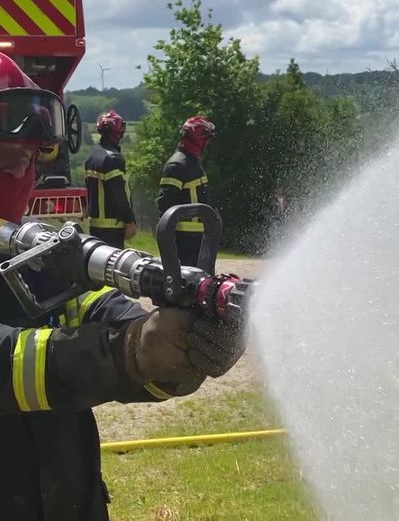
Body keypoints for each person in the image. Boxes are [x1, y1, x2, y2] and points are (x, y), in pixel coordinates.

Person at [0, 53, 246, 521]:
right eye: (3, 152)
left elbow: (95, 308)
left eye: (30, 156)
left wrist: (176, 342)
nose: (20, 171)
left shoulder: (22, 255)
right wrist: (127, 352)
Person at [157, 115, 215, 266]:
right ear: (199, 138)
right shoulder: (177, 165)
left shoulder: (192, 162)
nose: (207, 143)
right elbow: (165, 203)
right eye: (206, 138)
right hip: (184, 239)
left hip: (199, 237)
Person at [85, 110, 137, 249]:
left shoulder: (92, 157)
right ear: (117, 132)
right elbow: (119, 194)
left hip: (94, 224)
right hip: (112, 226)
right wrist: (129, 221)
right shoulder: (113, 158)